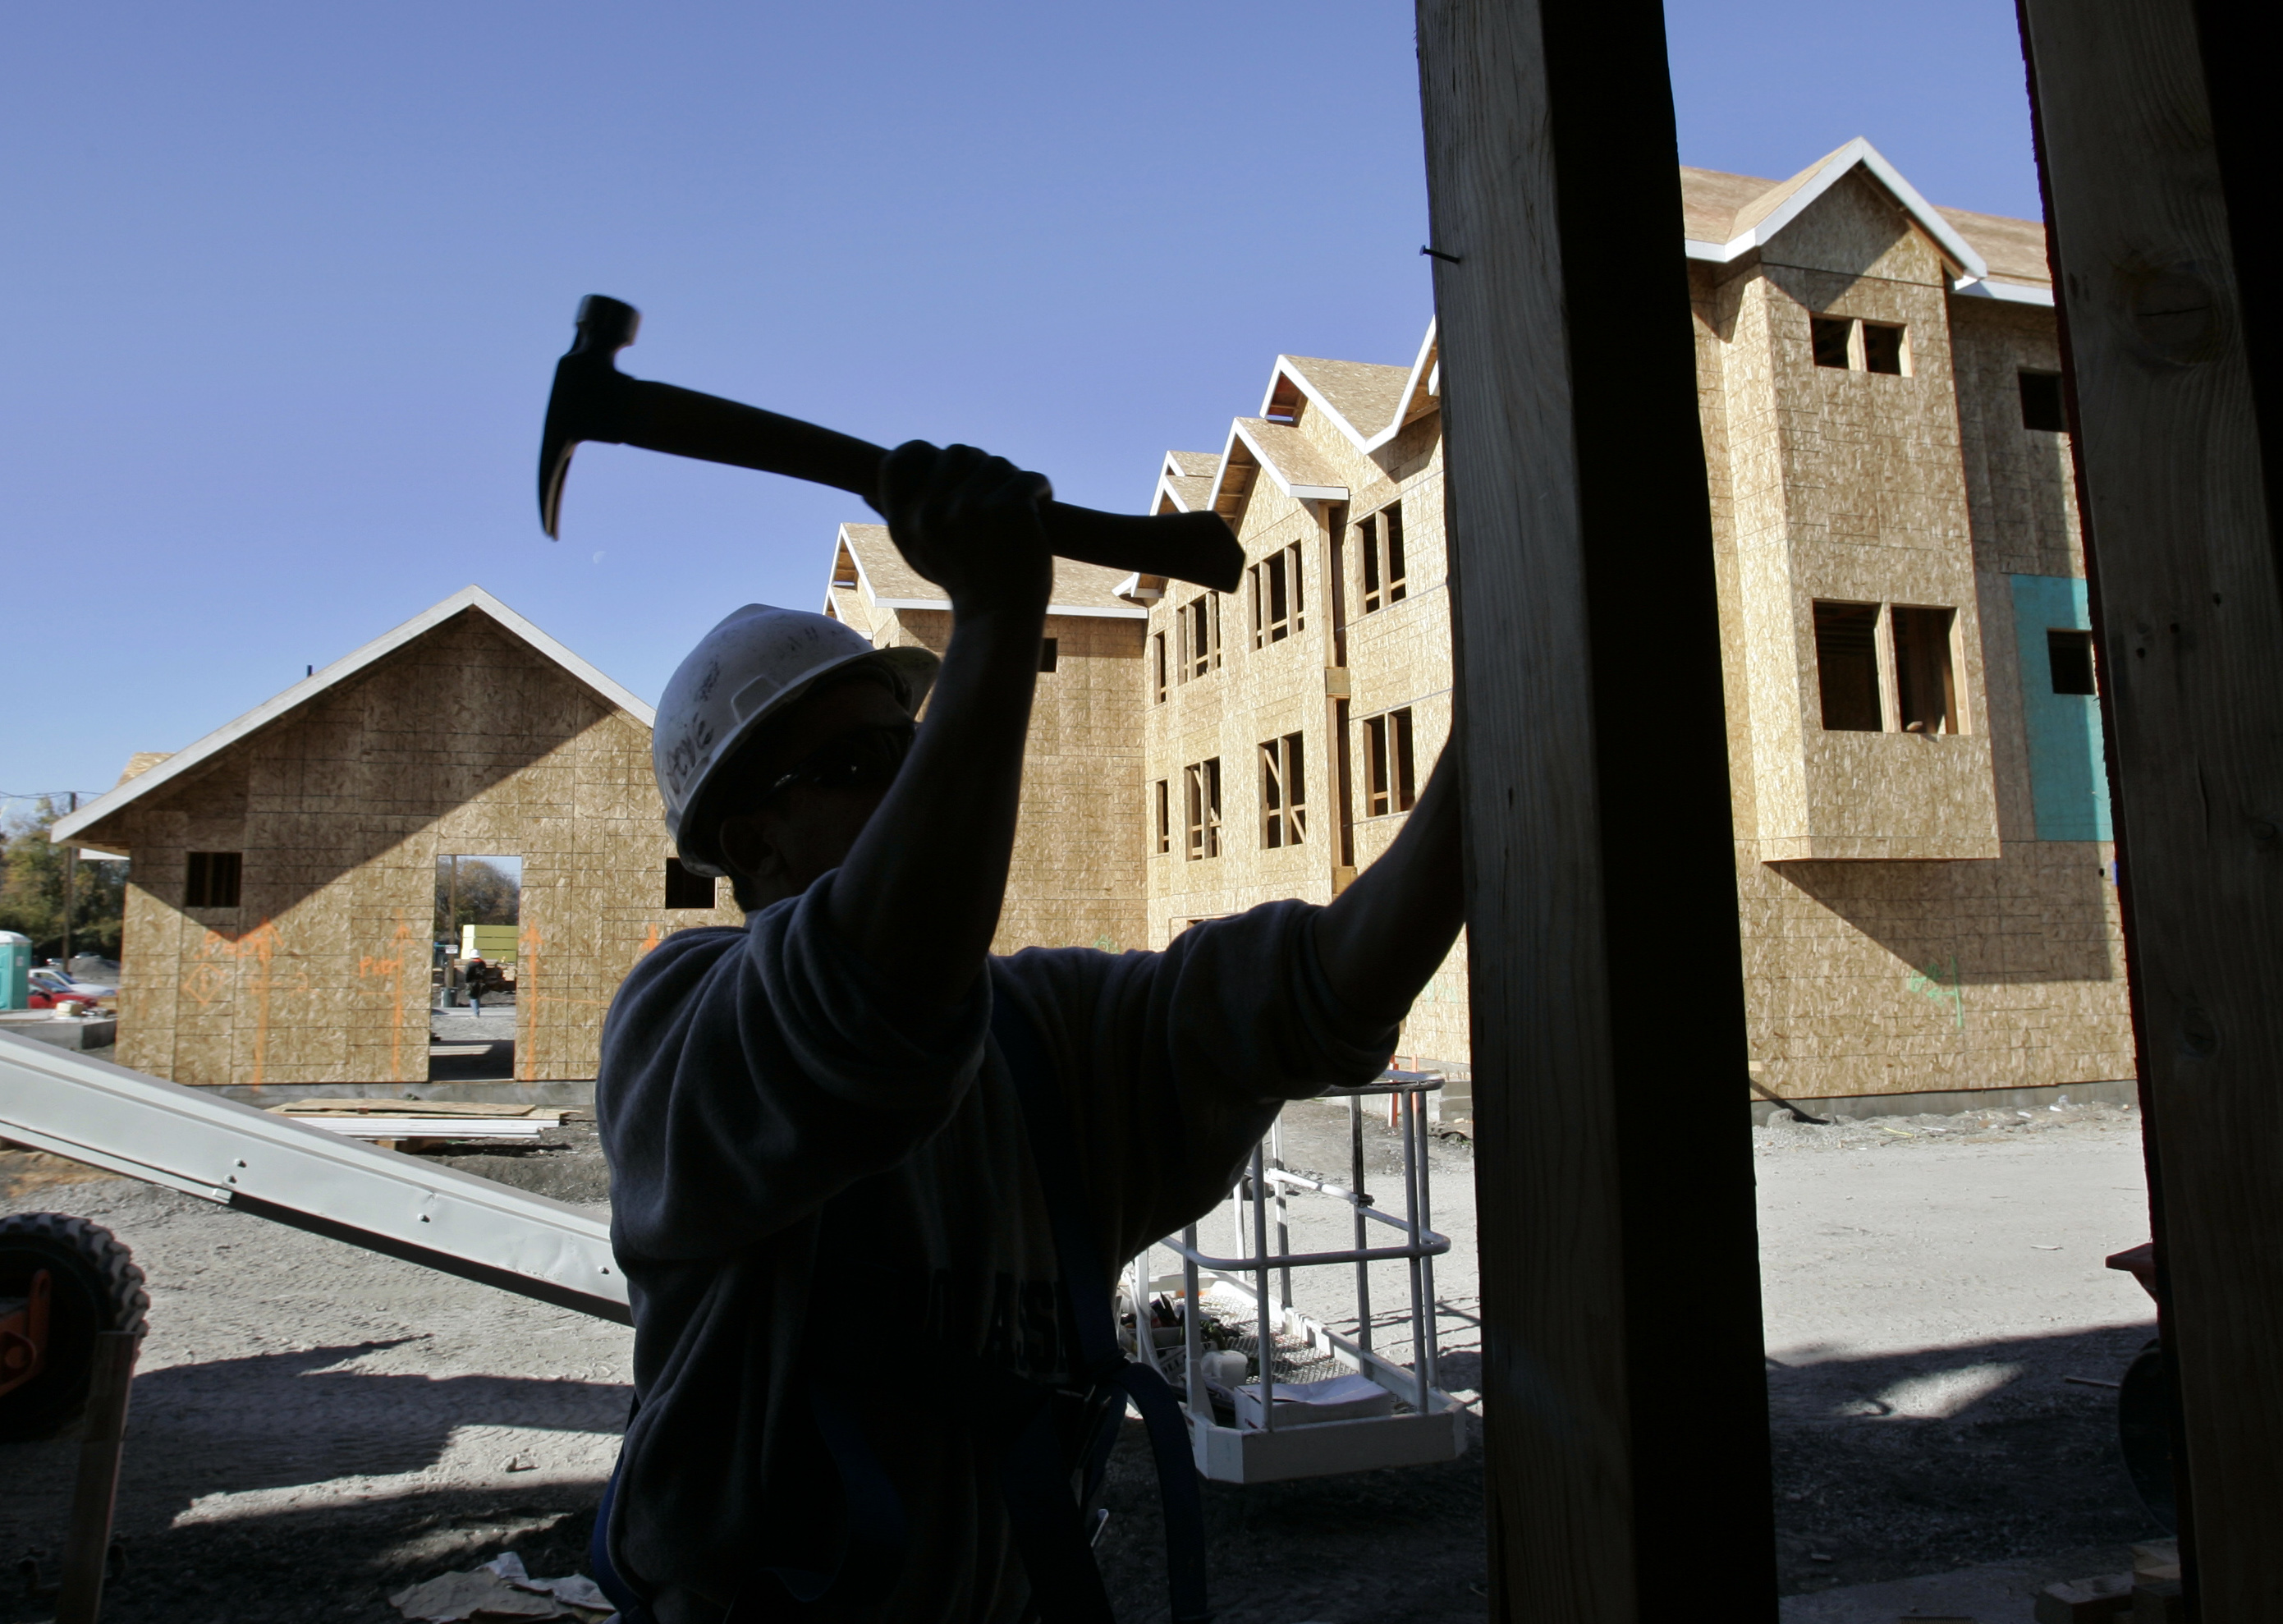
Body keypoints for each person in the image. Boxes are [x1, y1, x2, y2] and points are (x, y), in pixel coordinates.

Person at [593, 443, 1465, 1623]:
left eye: (909, 751)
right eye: (860, 765)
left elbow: (1309, 993)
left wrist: (1491, 748)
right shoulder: (678, 1028)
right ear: (752, 848)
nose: (907, 784)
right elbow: (867, 1003)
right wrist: (998, 618)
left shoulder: (1041, 1036)